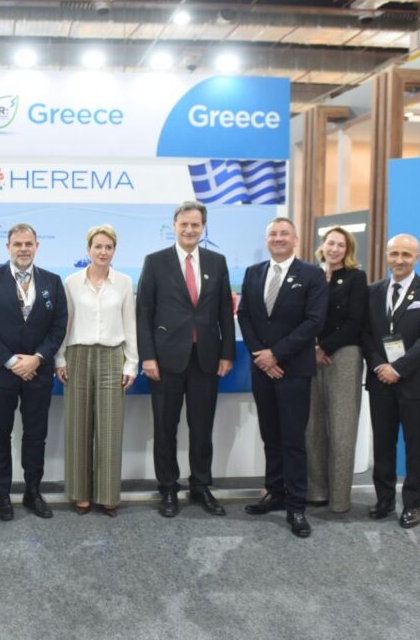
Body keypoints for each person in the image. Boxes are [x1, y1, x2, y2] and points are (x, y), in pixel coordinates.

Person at [135, 201, 235, 518]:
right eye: (184, 224)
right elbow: (144, 313)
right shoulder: (155, 261)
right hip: (166, 360)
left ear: (203, 227)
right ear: (175, 225)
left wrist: (227, 353)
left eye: (196, 225)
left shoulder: (217, 262)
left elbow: (225, 312)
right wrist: (148, 356)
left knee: (202, 427)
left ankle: (201, 486)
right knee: (166, 427)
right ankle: (168, 488)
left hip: (206, 358)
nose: (190, 230)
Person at [237, 217, 327, 538]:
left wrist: (276, 354)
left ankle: (296, 504)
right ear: (267, 240)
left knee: (293, 439)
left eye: (284, 233)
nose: (278, 238)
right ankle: (274, 492)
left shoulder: (312, 275)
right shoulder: (254, 273)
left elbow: (314, 321)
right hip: (262, 369)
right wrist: (261, 355)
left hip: (293, 370)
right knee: (270, 435)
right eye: (273, 234)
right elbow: (245, 315)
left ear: (295, 239)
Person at [0, 223, 67, 521]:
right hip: (0, 373)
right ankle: (2, 495)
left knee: (36, 435)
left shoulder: (53, 281)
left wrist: (37, 359)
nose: (23, 249)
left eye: (28, 244)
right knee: (0, 435)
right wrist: (12, 362)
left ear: (37, 246)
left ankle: (32, 492)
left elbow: (59, 327)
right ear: (8, 247)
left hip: (38, 373)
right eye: (18, 244)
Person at [362, 233, 420, 529]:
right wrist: (379, 365)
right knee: (383, 444)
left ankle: (412, 505)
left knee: (416, 446)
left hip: (418, 383)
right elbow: (365, 334)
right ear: (386, 255)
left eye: (406, 255)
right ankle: (384, 500)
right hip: (380, 381)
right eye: (394, 253)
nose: (399, 260)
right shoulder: (371, 291)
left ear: (417, 258)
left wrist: (398, 368)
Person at [55, 224, 138, 517]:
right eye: (98, 246)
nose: (103, 252)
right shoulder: (71, 283)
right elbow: (64, 324)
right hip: (77, 357)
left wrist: (131, 363)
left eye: (108, 247)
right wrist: (59, 359)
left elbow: (130, 325)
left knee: (110, 429)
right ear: (88, 249)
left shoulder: (124, 282)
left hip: (112, 357)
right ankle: (80, 494)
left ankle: (107, 494)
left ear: (114, 250)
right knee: (77, 428)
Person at [305, 226, 367, 513]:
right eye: (331, 243)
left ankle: (340, 498)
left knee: (342, 429)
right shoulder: (311, 275)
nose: (334, 249)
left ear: (348, 250)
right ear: (323, 245)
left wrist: (325, 347)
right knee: (312, 427)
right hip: (310, 355)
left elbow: (356, 321)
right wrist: (313, 347)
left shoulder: (355, 277)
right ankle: (316, 490)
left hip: (344, 355)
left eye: (341, 245)